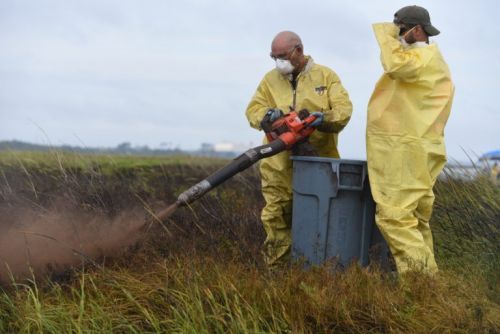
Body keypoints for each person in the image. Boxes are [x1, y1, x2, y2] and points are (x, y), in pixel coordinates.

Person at [246, 31, 353, 266]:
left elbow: (344, 112)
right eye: (273, 57)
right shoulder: (269, 80)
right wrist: (265, 116)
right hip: (277, 164)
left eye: (282, 56)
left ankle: (319, 271)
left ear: (299, 51)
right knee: (276, 216)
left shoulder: (326, 76)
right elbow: (252, 110)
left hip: (319, 164)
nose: (278, 62)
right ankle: (277, 271)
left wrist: (322, 119)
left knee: (320, 216)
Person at [366, 6, 455, 274]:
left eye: (400, 29)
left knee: (395, 217)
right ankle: (431, 285)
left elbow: (393, 65)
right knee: (415, 220)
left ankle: (423, 286)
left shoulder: (420, 59)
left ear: (417, 30)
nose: (397, 36)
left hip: (407, 152)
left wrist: (386, 33)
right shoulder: (425, 60)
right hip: (418, 151)